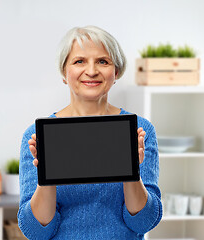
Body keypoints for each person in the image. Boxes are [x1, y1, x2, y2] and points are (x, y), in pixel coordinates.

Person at [17, 26, 162, 240]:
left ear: (116, 72)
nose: (92, 71)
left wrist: (132, 170)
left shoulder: (139, 130)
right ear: (64, 73)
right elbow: (36, 232)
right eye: (79, 61)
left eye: (103, 61)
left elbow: (144, 222)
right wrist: (46, 177)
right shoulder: (39, 135)